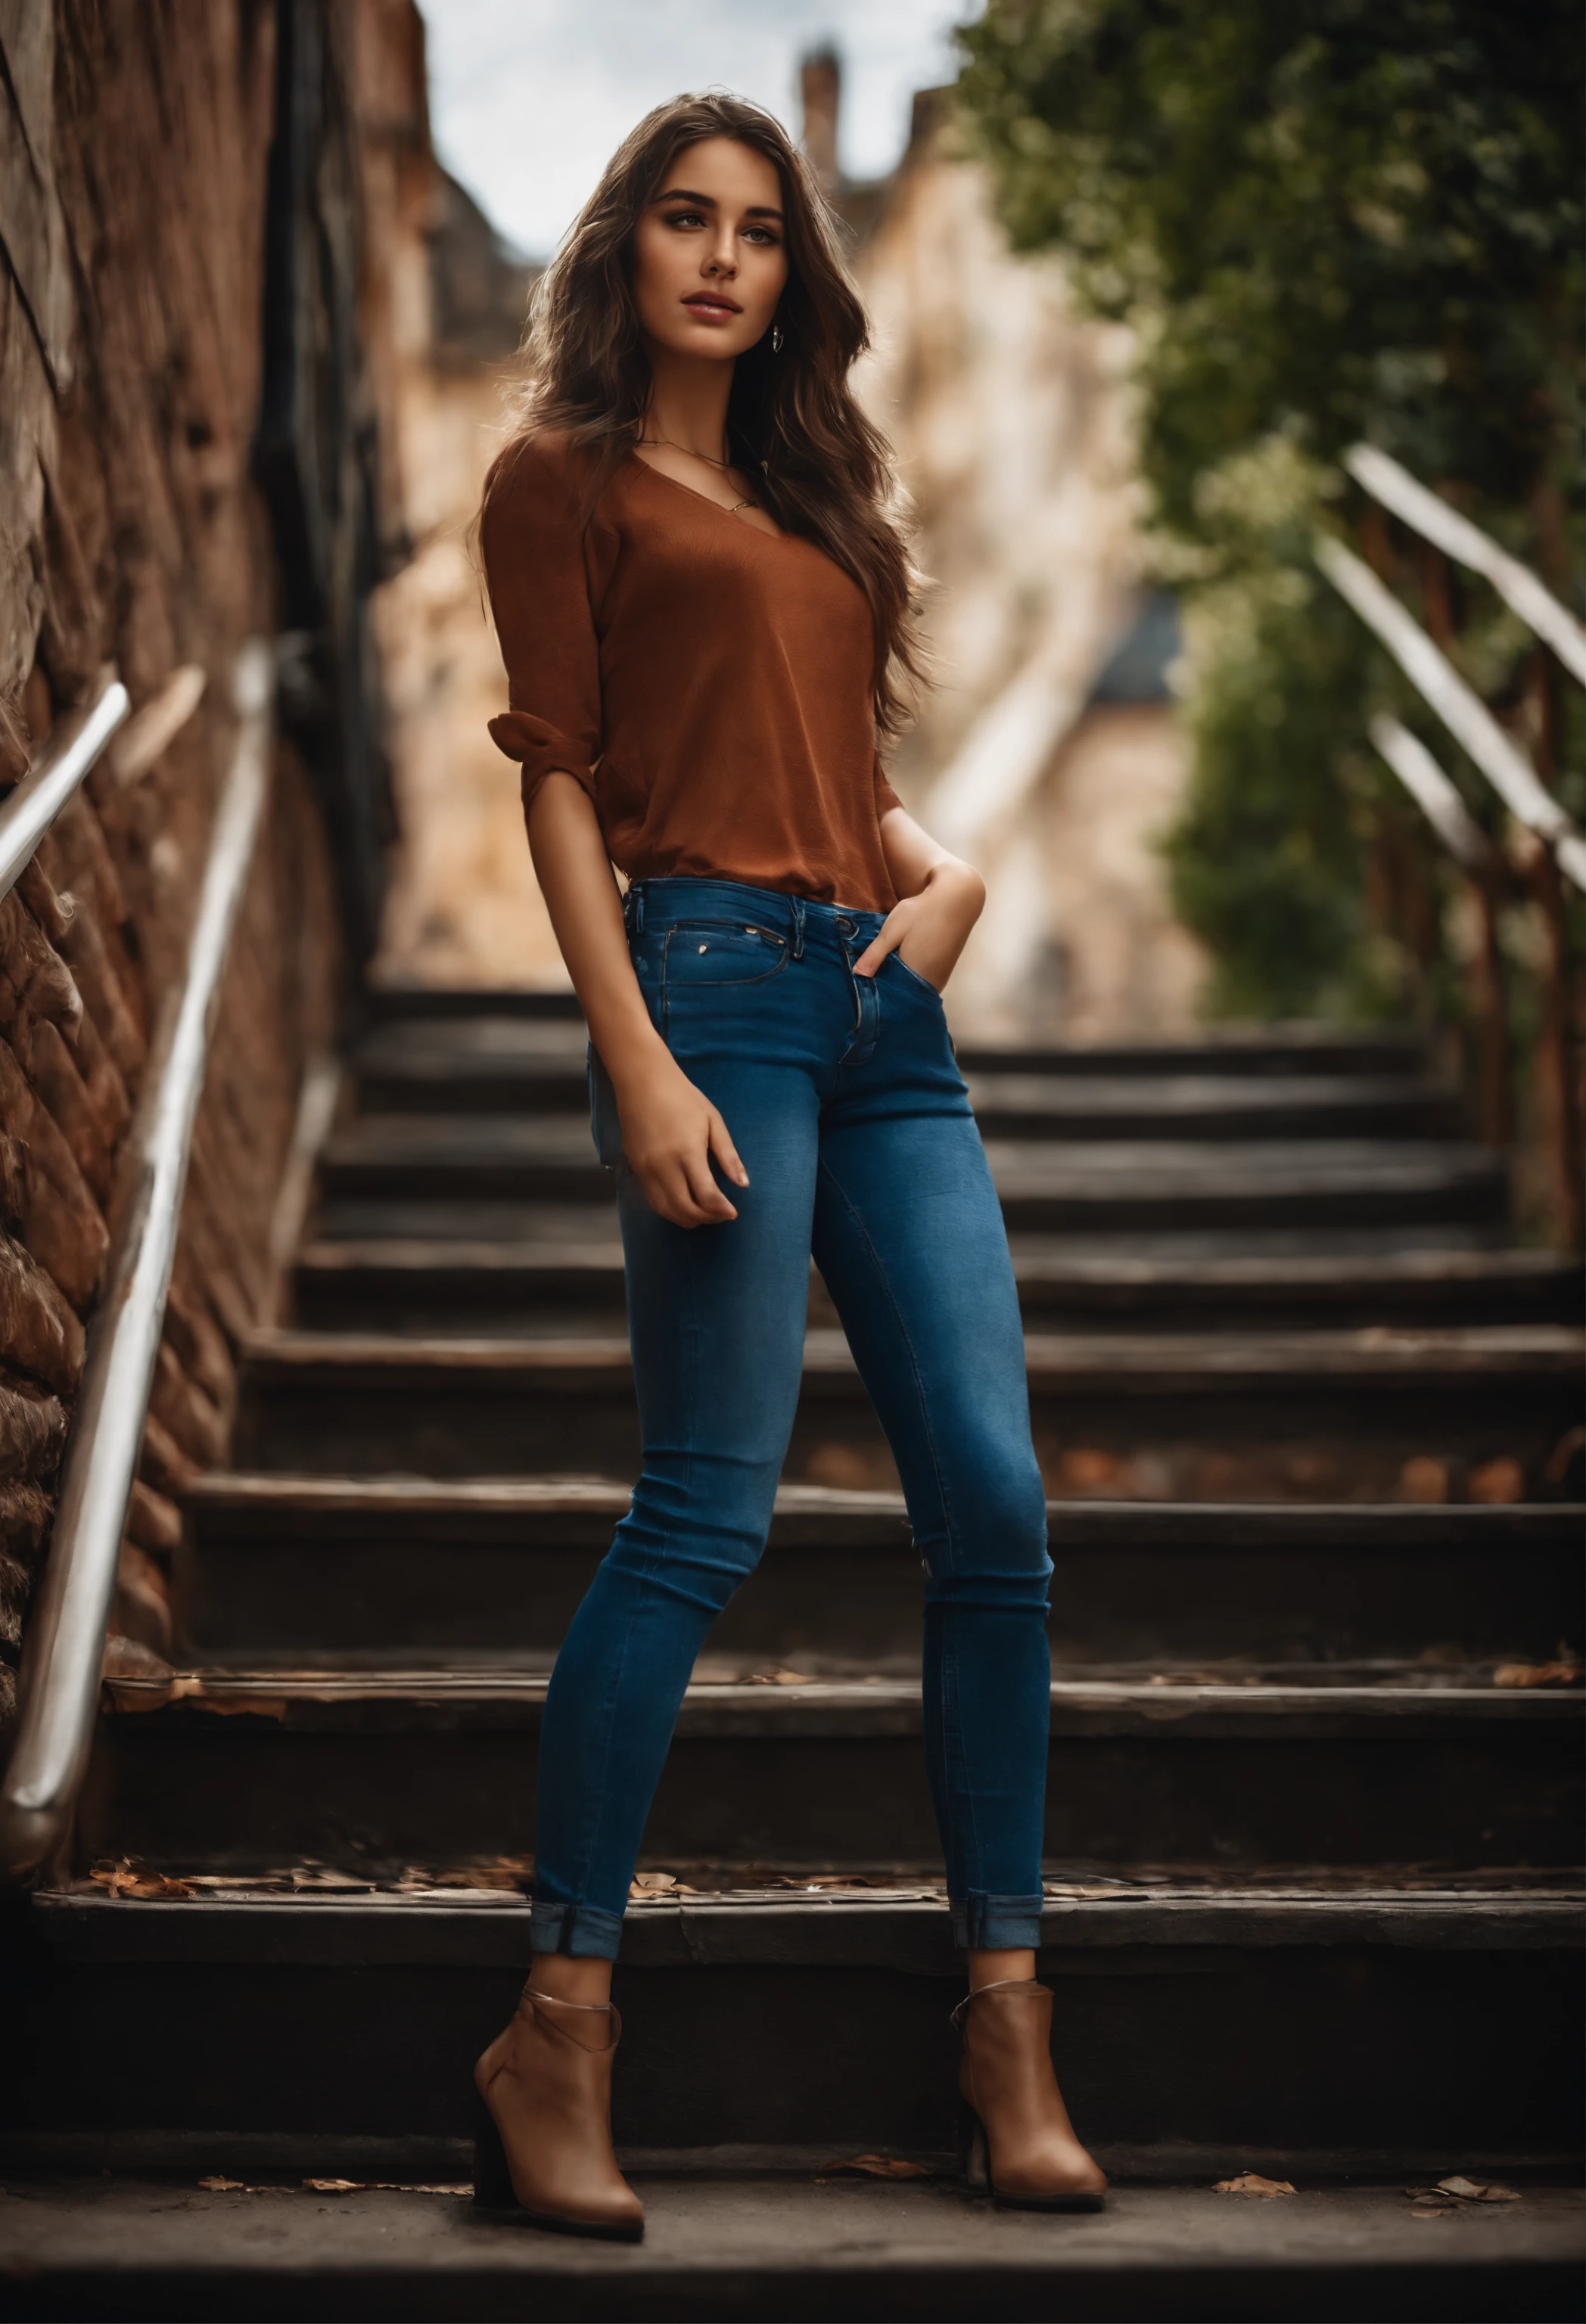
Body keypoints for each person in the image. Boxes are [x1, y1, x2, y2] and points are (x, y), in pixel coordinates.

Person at [470, 92, 1106, 2241]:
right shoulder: (559, 482)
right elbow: (566, 789)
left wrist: (950, 876)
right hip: (712, 995)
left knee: (998, 1511)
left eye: (757, 228)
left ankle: (1005, 2021)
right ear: (626, 249)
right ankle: (556, 2026)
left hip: (883, 1011)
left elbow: (840, 767)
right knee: (704, 1511)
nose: (724, 258)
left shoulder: (816, 501)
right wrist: (634, 1058)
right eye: (684, 218)